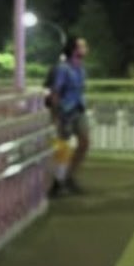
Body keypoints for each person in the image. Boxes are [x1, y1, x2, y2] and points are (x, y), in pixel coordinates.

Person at [49, 36, 90, 195]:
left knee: (84, 143)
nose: (86, 49)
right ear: (74, 50)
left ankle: (68, 176)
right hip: (65, 111)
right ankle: (57, 182)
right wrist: (55, 115)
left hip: (79, 108)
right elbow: (55, 92)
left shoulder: (81, 68)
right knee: (63, 147)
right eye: (82, 46)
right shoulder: (63, 68)